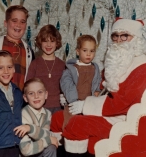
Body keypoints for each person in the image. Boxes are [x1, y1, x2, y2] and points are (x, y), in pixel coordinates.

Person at [51, 18, 146, 157]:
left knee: (76, 124)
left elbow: (123, 102)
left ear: (136, 39)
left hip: (122, 119)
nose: (119, 40)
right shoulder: (116, 62)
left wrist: (85, 105)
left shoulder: (141, 66)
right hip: (105, 111)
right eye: (115, 36)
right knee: (58, 117)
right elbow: (100, 88)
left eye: (125, 35)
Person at [0, 5, 34, 91]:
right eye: (14, 21)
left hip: (19, 100)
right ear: (5, 23)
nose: (18, 25)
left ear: (26, 25)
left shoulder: (29, 51)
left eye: (22, 22)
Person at [51, 34, 102, 131]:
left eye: (92, 51)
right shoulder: (72, 69)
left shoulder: (95, 67)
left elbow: (97, 81)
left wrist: (97, 91)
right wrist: (74, 100)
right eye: (85, 50)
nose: (88, 54)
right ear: (78, 52)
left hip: (89, 102)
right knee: (72, 125)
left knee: (89, 125)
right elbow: (67, 85)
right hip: (75, 102)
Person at [14, 78, 59, 157]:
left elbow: (46, 134)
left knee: (51, 147)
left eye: (40, 92)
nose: (36, 96)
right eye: (31, 93)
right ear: (25, 98)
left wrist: (30, 129)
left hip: (40, 149)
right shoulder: (23, 114)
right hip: (28, 153)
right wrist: (48, 139)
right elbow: (25, 150)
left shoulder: (47, 113)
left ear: (46, 95)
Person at [26, 24, 65, 114]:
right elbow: (28, 87)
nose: (48, 45)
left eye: (52, 41)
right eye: (45, 41)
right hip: (38, 108)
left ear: (57, 43)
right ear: (40, 42)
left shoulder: (62, 65)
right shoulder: (34, 64)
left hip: (59, 107)